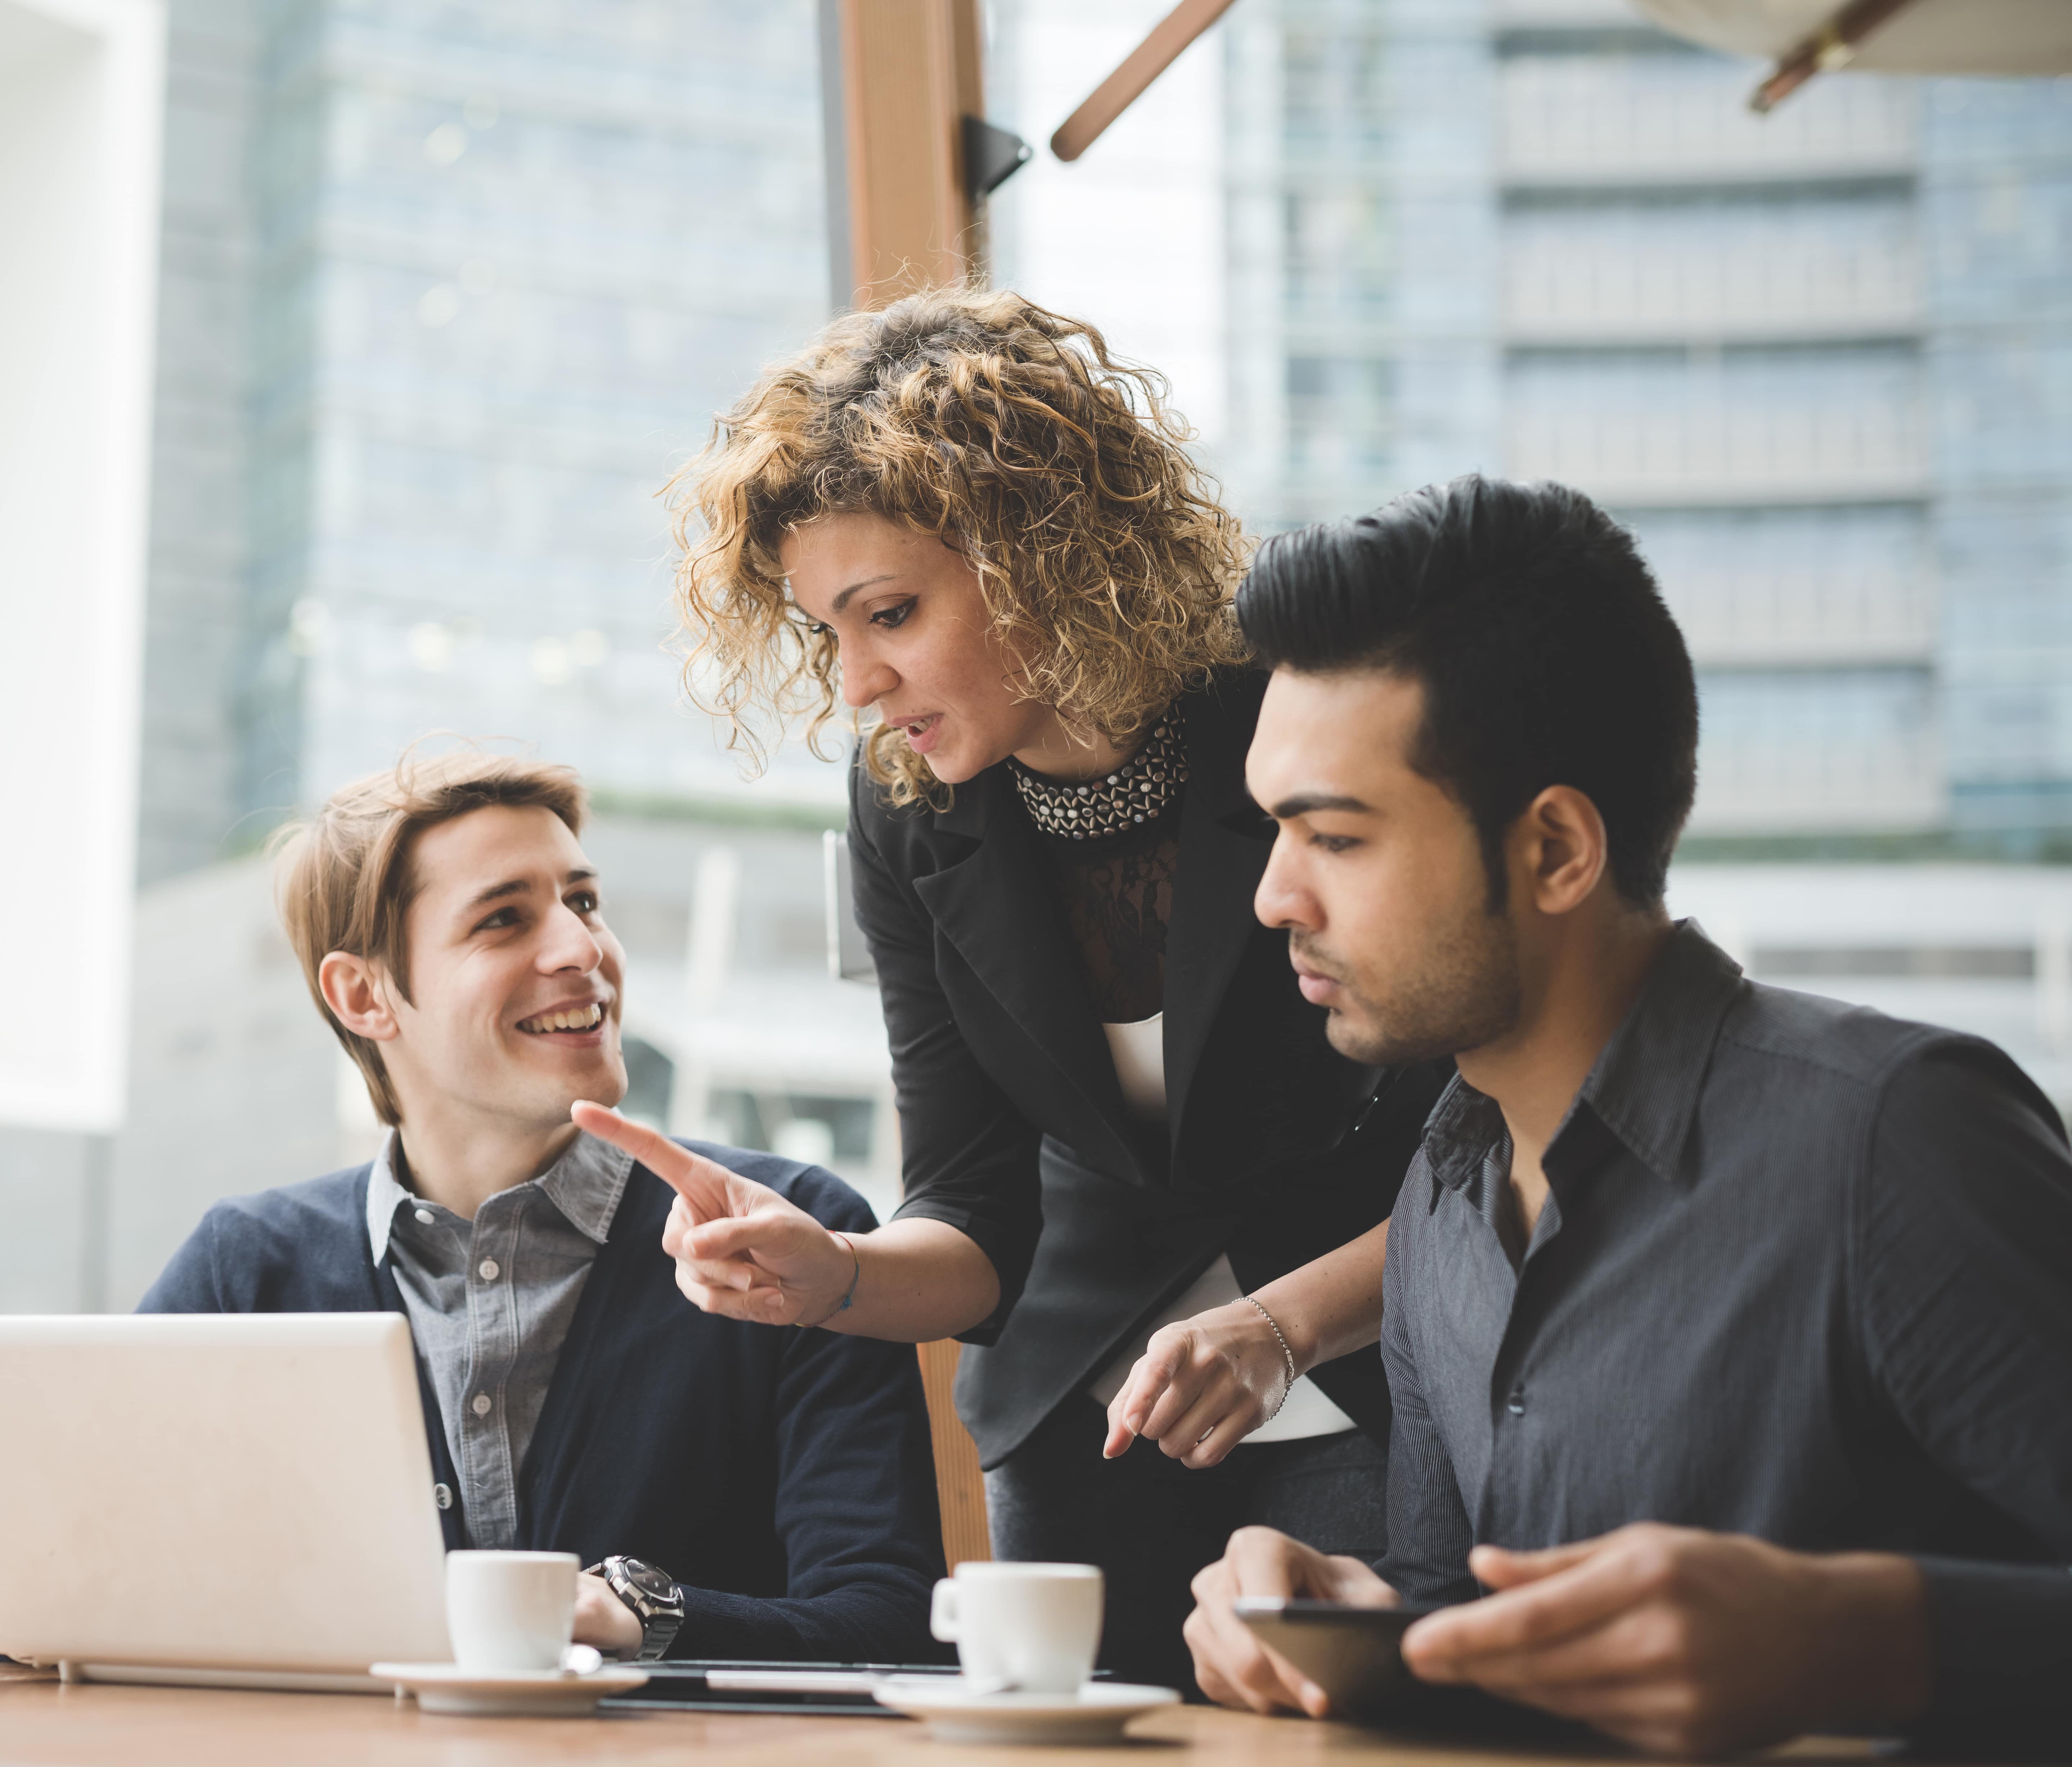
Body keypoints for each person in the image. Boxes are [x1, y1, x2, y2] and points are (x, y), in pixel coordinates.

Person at [573, 288, 1450, 1688]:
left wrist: (1285, 1321)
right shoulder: (909, 809)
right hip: (1083, 1414)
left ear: (1040, 550)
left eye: (893, 614)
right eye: (826, 635)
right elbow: (977, 1204)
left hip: (1373, 1368)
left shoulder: (1289, 699)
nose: (857, 682)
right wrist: (837, 1276)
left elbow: (1495, 1144)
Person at [1180, 475, 2072, 1755]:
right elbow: (1466, 1615)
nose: (1274, 899)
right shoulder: (1442, 1196)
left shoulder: (1895, 1140)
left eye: (1336, 839)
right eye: (1276, 832)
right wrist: (1351, 1619)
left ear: (1554, 851)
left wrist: (1863, 1639)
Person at [137, 749, 946, 1665]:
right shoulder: (242, 1268)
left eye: (584, 901)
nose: (581, 949)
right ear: (363, 994)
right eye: (503, 918)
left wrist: (643, 1613)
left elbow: (891, 1623)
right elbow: (52, 1604)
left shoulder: (790, 1232)